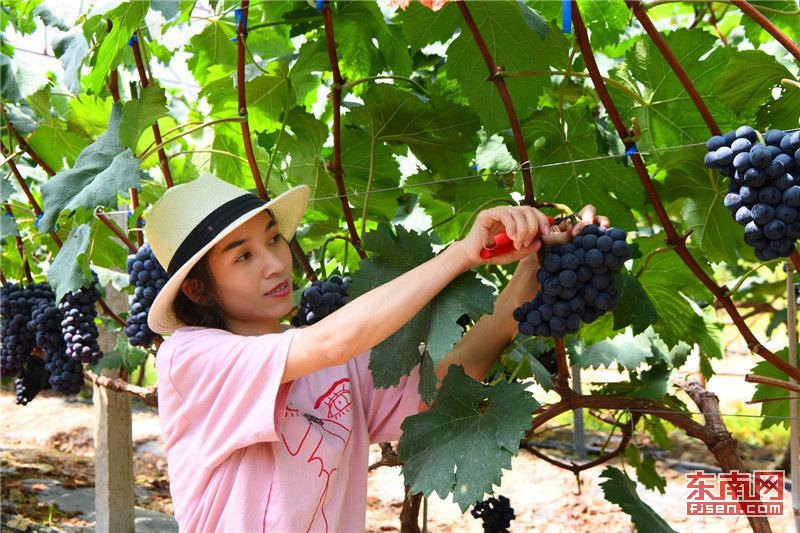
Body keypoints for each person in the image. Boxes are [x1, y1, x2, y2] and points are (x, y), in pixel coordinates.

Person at [145, 172, 607, 532]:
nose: (273, 263)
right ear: (199, 290)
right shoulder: (189, 358)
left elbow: (438, 392)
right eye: (242, 256)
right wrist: (463, 253)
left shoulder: (333, 366)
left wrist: (534, 270)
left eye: (273, 239)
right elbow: (329, 340)